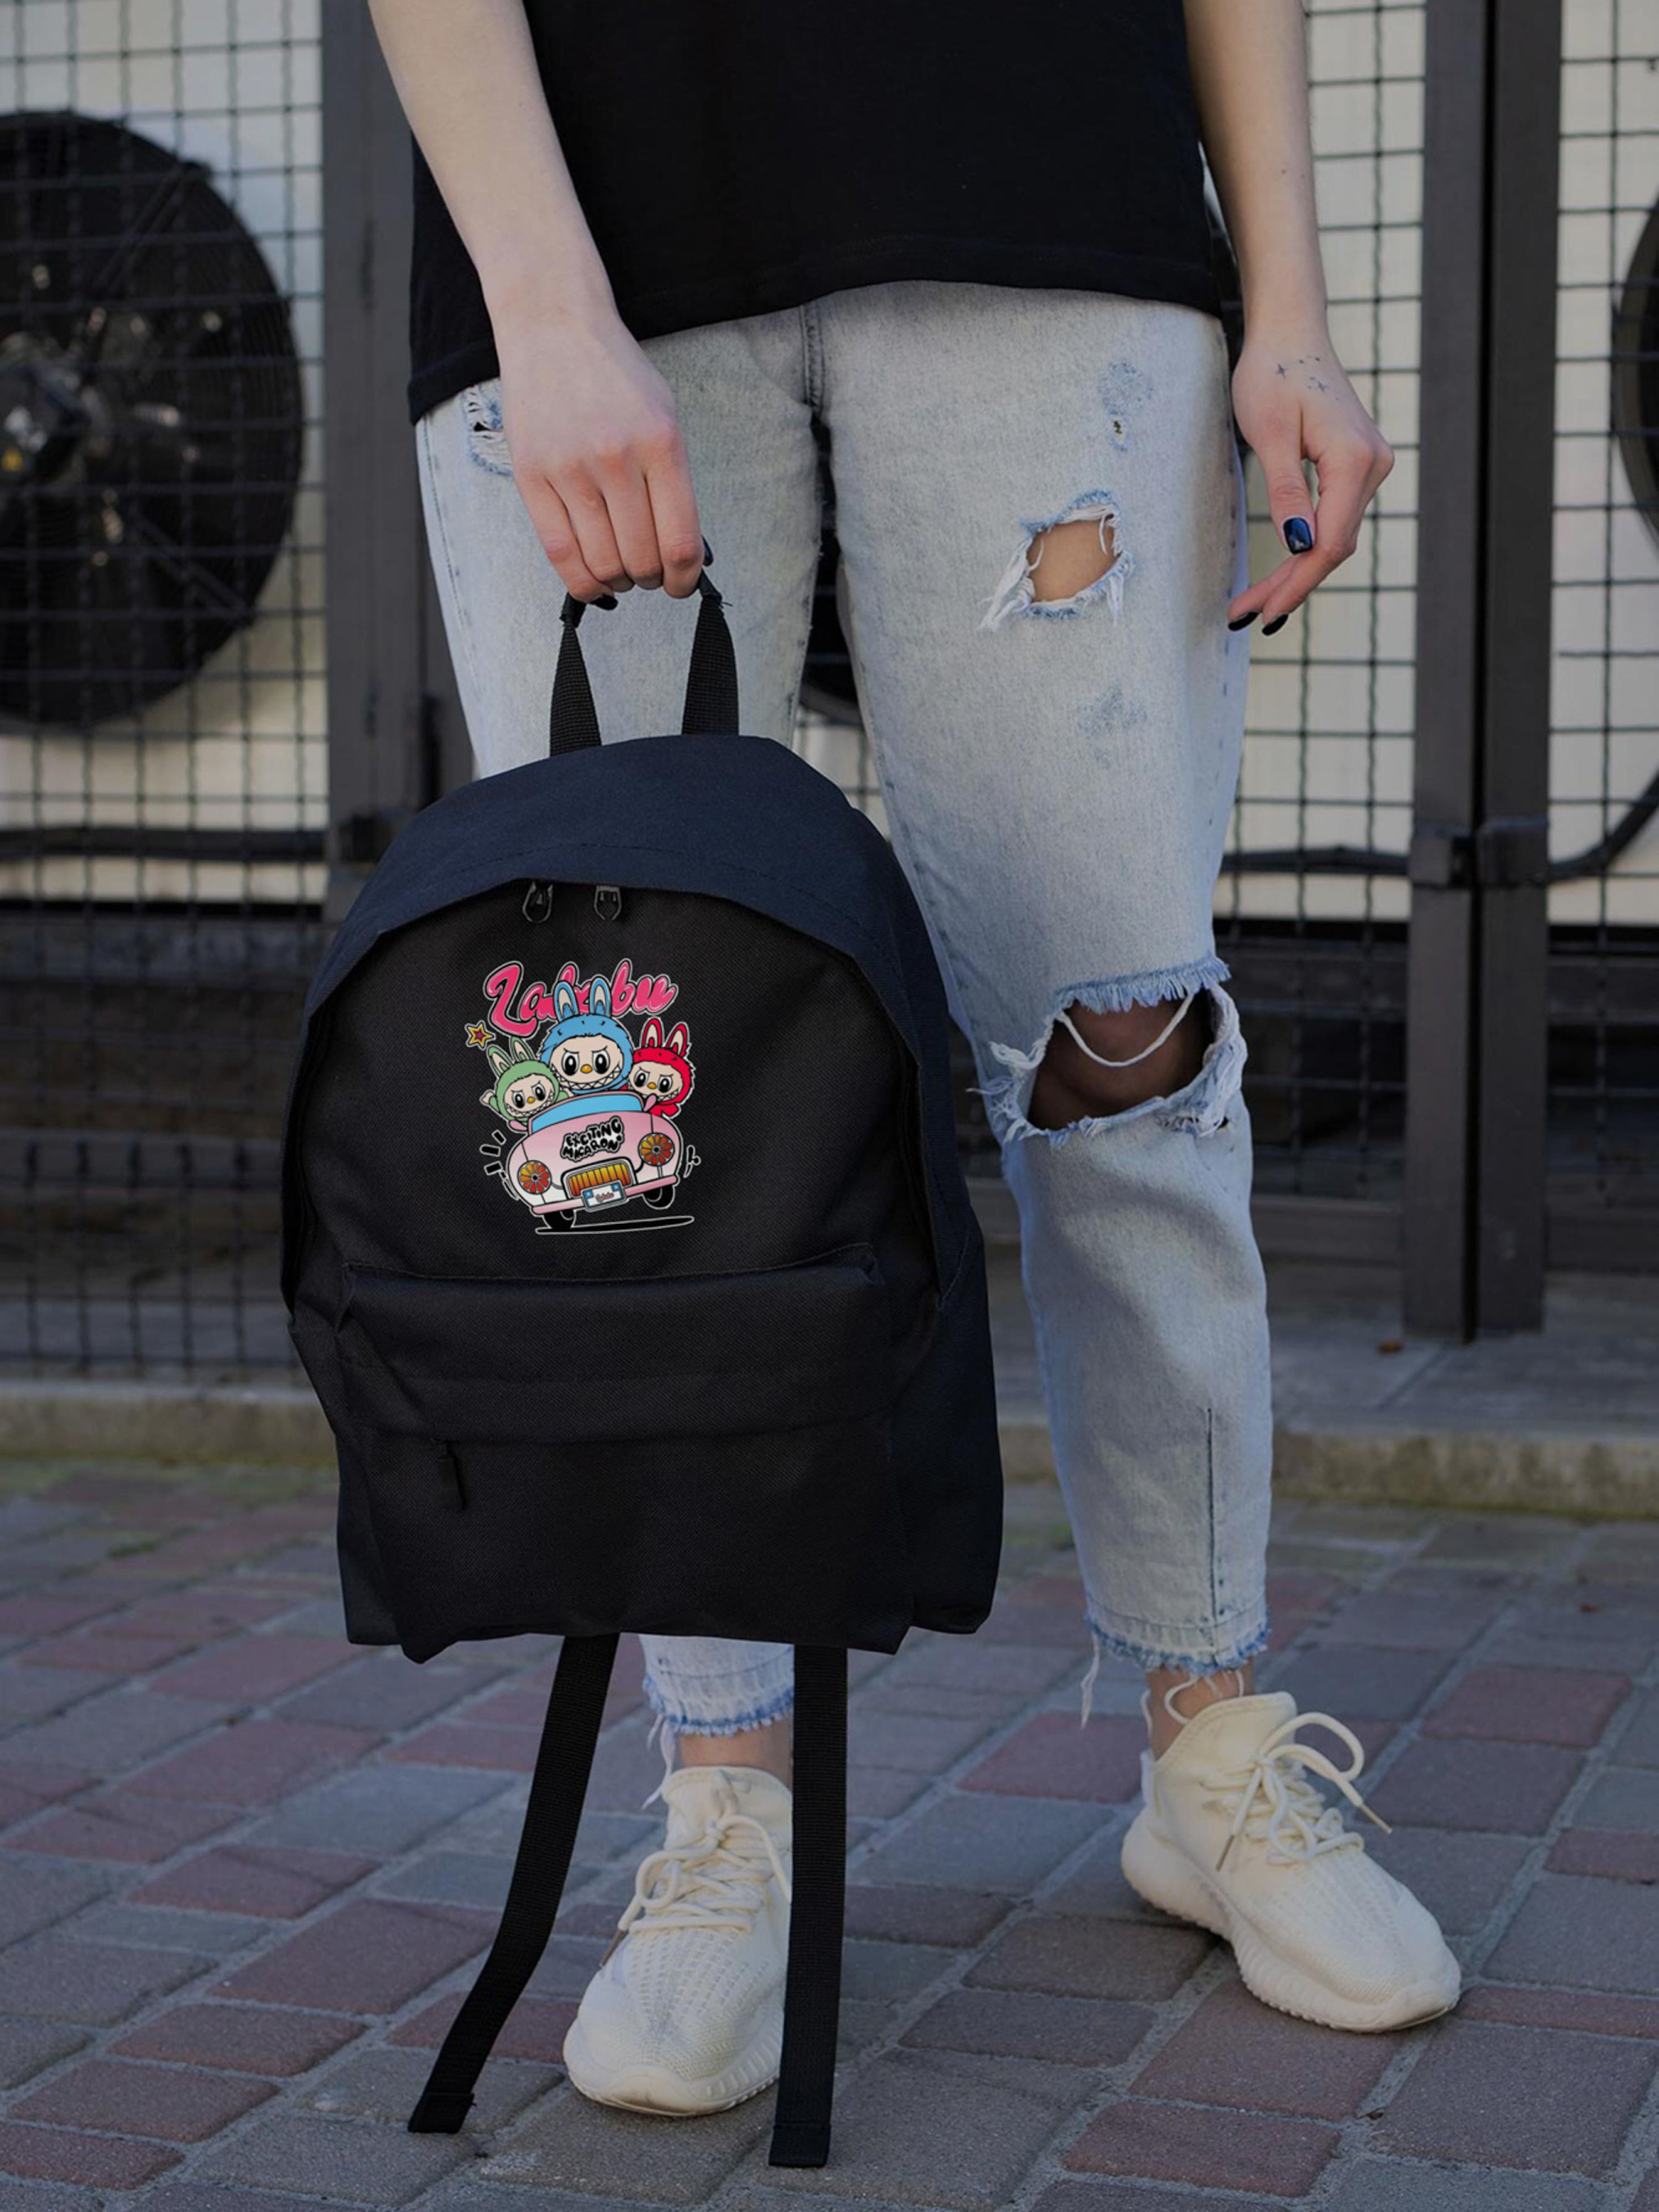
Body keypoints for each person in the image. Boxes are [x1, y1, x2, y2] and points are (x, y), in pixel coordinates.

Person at [370, 0, 1461, 2118]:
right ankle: (725, 1790)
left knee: (1127, 1040)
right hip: (596, 233)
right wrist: (541, 298)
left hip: (1046, 186)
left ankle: (1211, 1738)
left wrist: (1294, 304)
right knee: (642, 1092)